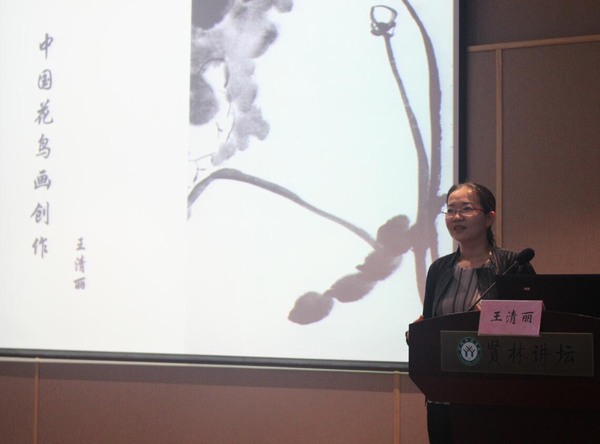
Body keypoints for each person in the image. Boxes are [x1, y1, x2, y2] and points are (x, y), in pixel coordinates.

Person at [416, 182, 535, 443]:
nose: (456, 217)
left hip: (496, 397)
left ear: (489, 218)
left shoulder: (513, 265)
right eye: (450, 210)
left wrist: (495, 320)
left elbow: (534, 326)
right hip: (444, 395)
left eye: (466, 209)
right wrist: (418, 335)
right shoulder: (439, 270)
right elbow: (429, 323)